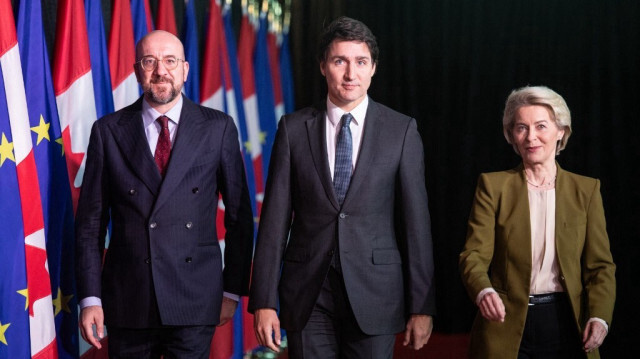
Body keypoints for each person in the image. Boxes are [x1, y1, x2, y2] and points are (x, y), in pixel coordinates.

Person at [248, 16, 436, 359]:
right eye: (340, 61)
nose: (351, 74)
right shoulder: (293, 129)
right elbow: (274, 220)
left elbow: (416, 223)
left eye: (361, 62)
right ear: (323, 66)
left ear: (373, 68)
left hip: (376, 292)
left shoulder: (401, 130)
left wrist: (422, 305)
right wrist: (263, 300)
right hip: (308, 294)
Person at [75, 30, 254, 358]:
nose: (161, 70)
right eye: (150, 61)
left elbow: (240, 218)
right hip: (129, 298)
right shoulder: (108, 131)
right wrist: (90, 299)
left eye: (170, 61)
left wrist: (231, 290)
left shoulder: (218, 128)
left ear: (185, 69)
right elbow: (90, 226)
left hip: (195, 297)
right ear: (136, 70)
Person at [459, 86, 616, 358]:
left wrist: (600, 317)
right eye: (521, 128)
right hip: (504, 324)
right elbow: (473, 255)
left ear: (561, 132)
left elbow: (600, 266)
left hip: (567, 323)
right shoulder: (493, 186)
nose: (531, 137)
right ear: (512, 136)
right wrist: (483, 291)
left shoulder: (586, 190)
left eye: (541, 126)